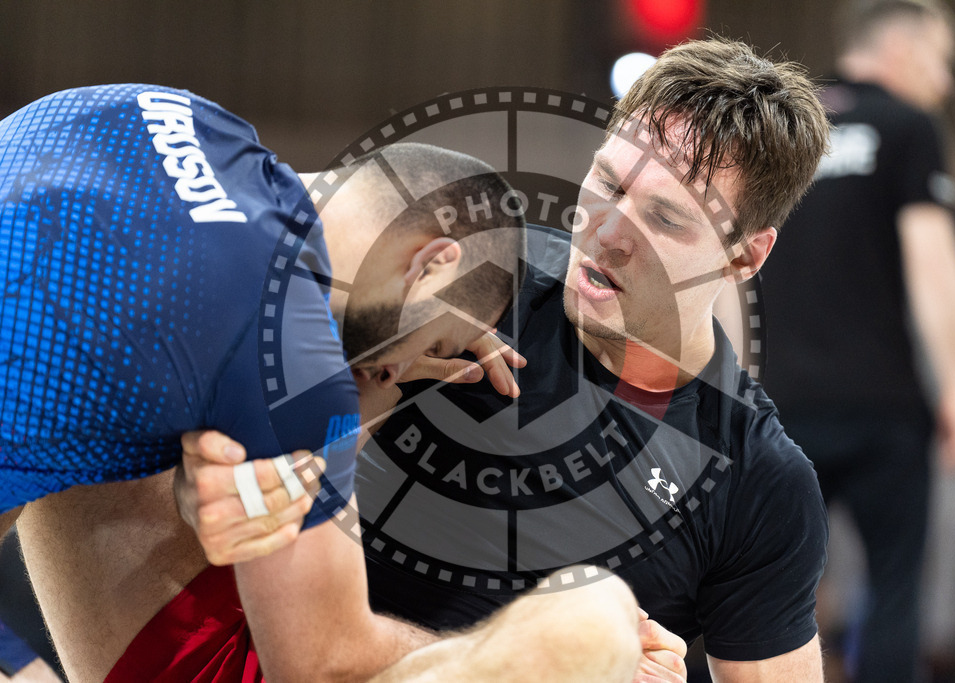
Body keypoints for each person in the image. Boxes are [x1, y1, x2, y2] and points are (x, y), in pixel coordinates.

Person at [182, 36, 834, 681]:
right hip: (282, 652)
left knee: (593, 627)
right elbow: (228, 455)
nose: (605, 232)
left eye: (664, 219)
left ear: (745, 255)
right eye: (606, 181)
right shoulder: (475, 270)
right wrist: (217, 481)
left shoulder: (759, 483)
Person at [0, 84, 653, 682]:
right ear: (432, 261)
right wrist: (500, 641)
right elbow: (323, 662)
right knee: (594, 617)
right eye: (438, 348)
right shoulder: (286, 351)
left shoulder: (182, 114)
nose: (397, 372)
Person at [758, 1, 955, 680]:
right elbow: (933, 260)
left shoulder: (780, 128)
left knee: (768, 588)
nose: (944, 82)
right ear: (905, 50)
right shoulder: (909, 125)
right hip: (882, 404)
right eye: (942, 60)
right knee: (893, 589)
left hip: (783, 406)